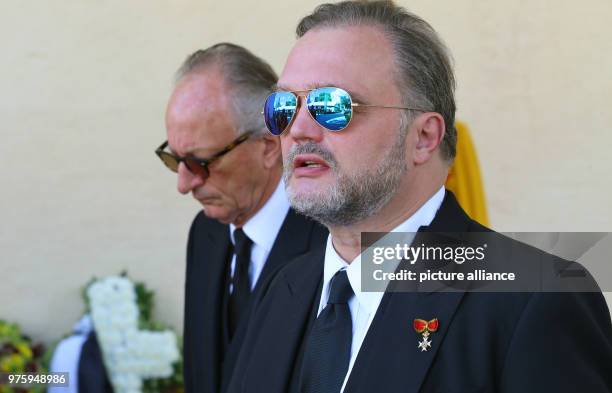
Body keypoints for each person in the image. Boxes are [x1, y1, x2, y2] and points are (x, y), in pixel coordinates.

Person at [226, 2, 612, 393]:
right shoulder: (285, 286)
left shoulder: (534, 298)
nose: (298, 129)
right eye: (283, 106)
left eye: (331, 104)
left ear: (424, 137)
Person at [156, 43, 327, 393]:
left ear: (268, 146)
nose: (184, 184)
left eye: (201, 162)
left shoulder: (334, 241)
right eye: (175, 159)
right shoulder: (207, 232)